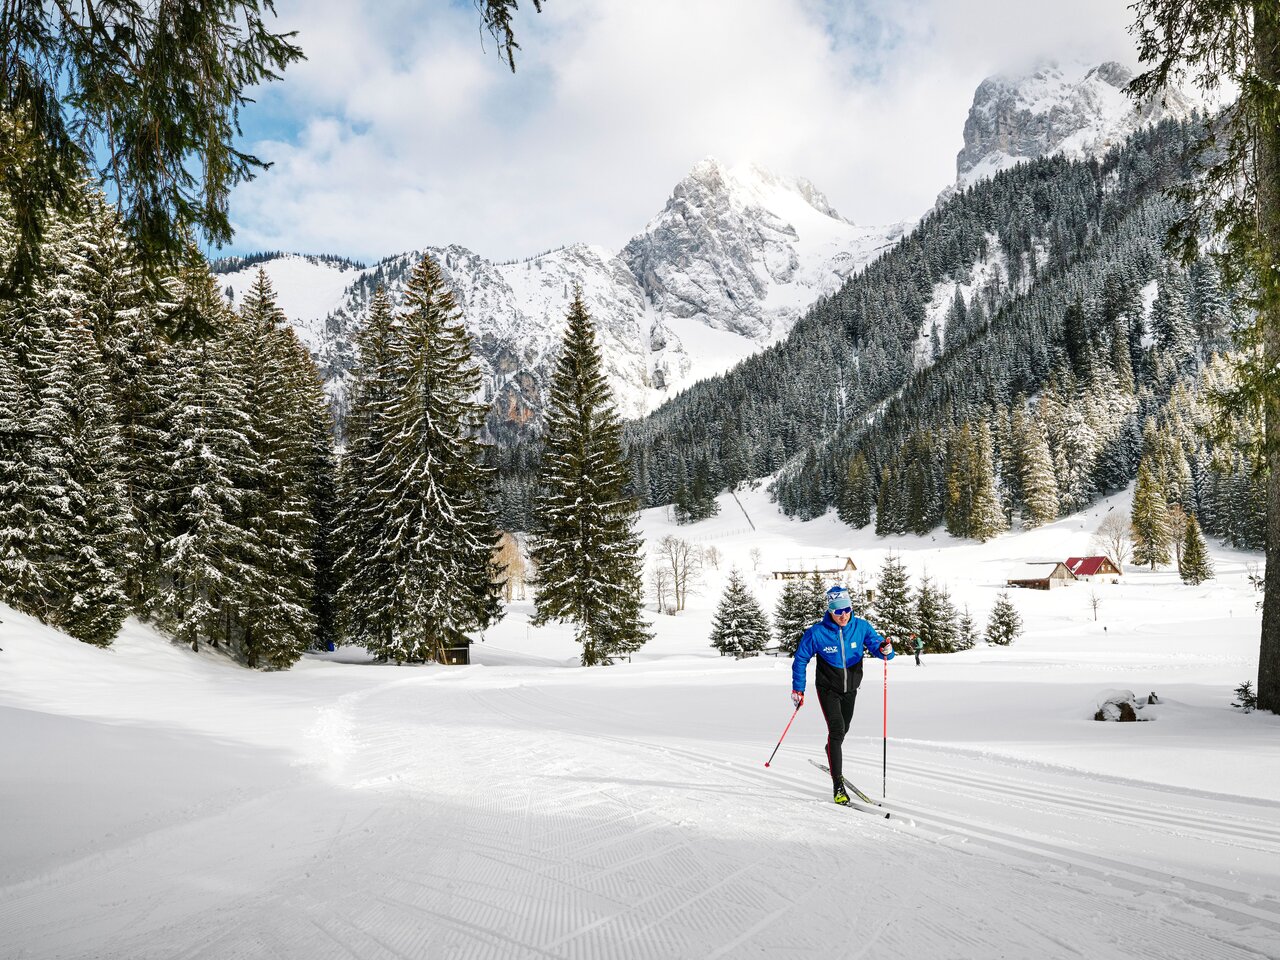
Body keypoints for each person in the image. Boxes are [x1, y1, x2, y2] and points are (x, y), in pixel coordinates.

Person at [791, 585, 894, 804]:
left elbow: (877, 646)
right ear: (830, 611)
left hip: (851, 689)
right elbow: (800, 659)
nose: (843, 615)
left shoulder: (861, 627)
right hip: (828, 689)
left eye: (846, 609)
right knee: (837, 730)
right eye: (838, 611)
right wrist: (798, 689)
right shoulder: (817, 633)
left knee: (843, 730)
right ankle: (838, 785)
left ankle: (831, 749)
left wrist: (886, 650)